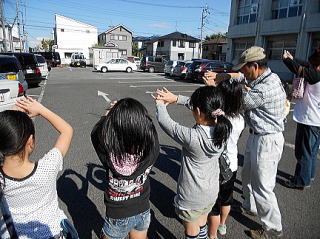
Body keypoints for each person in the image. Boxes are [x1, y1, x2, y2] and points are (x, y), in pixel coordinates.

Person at [205, 46, 286, 239]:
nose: (241, 72)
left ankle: (273, 228)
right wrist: (225, 76)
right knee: (248, 176)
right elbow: (240, 78)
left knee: (263, 187)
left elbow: (234, 101)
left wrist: (212, 87)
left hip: (267, 140)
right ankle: (250, 207)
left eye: (244, 68)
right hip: (258, 136)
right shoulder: (264, 76)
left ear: (255, 66)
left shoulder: (264, 89)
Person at [154, 86, 232, 239]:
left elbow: (165, 121)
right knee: (202, 222)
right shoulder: (223, 128)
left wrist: (160, 103)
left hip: (192, 196)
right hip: (211, 192)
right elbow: (200, 106)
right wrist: (176, 98)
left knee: (192, 232)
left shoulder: (192, 137)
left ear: (197, 111)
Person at [0, 97, 76, 238]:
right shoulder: (47, 168)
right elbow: (67, 130)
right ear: (30, 142)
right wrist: (41, 109)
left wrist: (10, 113)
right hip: (52, 233)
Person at [91, 98, 159, 239]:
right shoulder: (152, 150)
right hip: (143, 209)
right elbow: (151, 133)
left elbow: (96, 133)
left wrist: (108, 112)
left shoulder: (110, 156)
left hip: (117, 216)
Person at [207, 79, 245, 239]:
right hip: (232, 165)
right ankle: (222, 225)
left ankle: (213, 234)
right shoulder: (240, 119)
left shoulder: (216, 119)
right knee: (227, 199)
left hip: (217, 166)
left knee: (213, 204)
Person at [283, 48, 320, 189]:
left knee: (303, 153)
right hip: (317, 119)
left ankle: (301, 181)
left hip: (309, 119)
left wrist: (287, 59)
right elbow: (304, 64)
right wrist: (293, 58)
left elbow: (299, 69)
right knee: (312, 151)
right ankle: (308, 176)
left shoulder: (316, 75)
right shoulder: (316, 72)